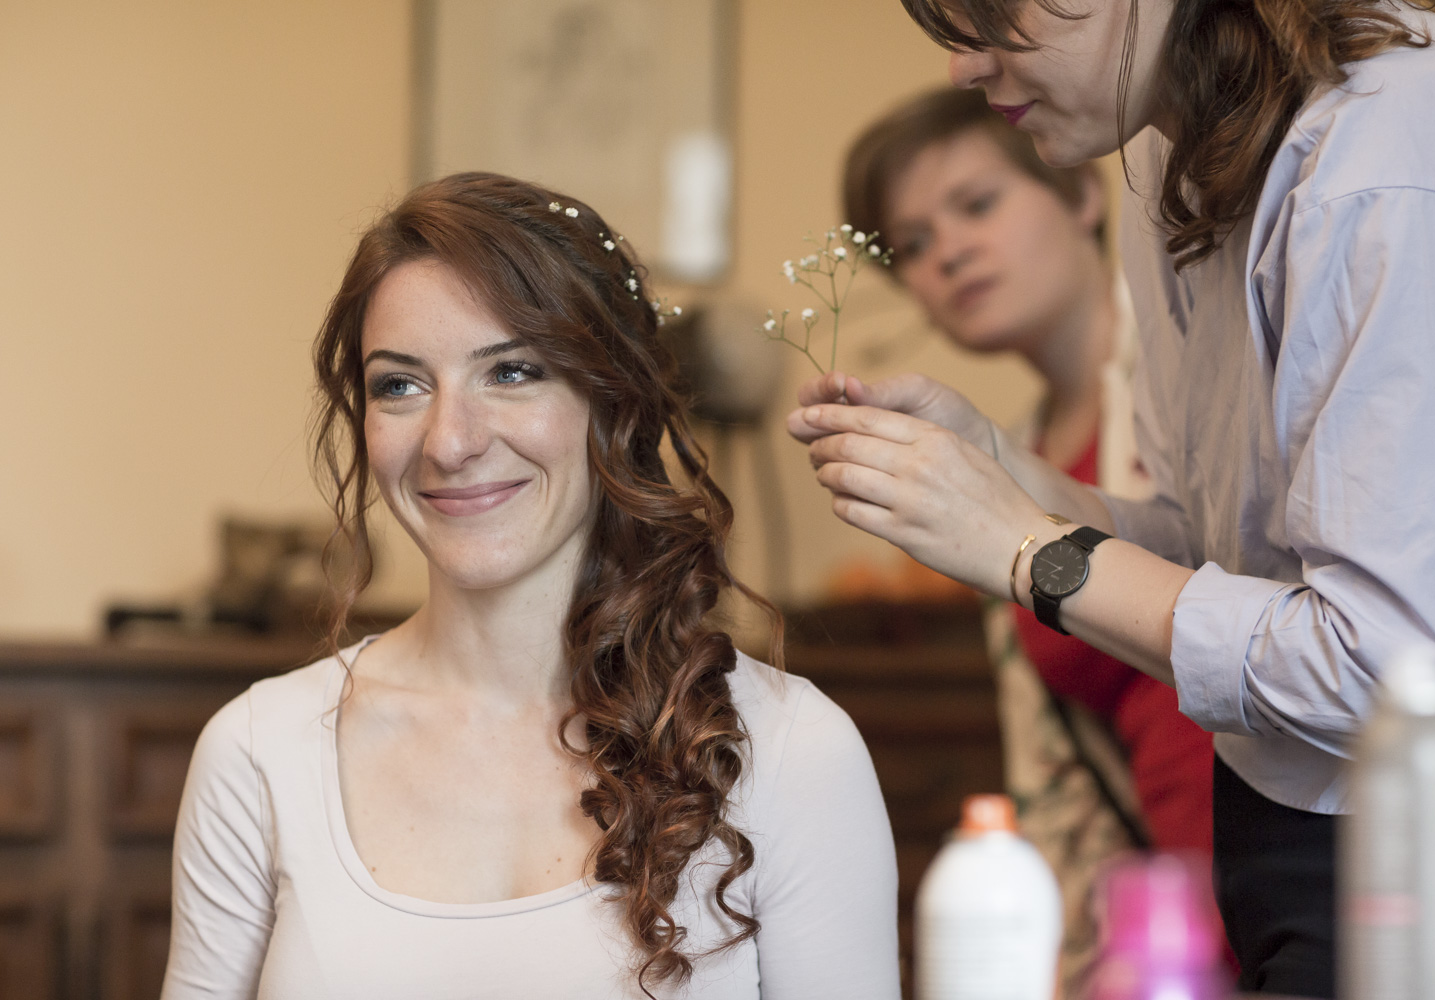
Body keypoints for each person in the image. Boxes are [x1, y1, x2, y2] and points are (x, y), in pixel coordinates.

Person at [789, 0, 1435, 995]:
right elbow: (1219, 553)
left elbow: (1388, 668)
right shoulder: (1163, 157)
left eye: (989, 12)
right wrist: (999, 469)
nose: (962, 67)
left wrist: (1028, 547)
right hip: (1273, 822)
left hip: (1431, 843)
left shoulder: (1389, 150)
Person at [163, 173, 901, 1000]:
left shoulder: (793, 752)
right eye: (399, 385)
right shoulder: (258, 753)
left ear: (612, 401)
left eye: (511, 372)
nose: (450, 442)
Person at [841, 85, 1224, 989]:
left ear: (1082, 195)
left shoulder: (1197, 383)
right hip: (1157, 908)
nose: (949, 253)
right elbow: (1053, 781)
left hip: (1280, 859)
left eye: (977, 205)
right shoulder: (1007, 459)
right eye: (913, 245)